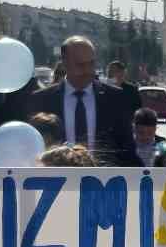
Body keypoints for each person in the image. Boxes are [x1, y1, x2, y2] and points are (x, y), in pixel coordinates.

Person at [24, 37, 139, 167]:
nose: (88, 70)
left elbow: (128, 151)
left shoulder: (116, 98)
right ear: (65, 63)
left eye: (91, 64)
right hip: (55, 182)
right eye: (81, 65)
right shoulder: (41, 100)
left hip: (104, 183)